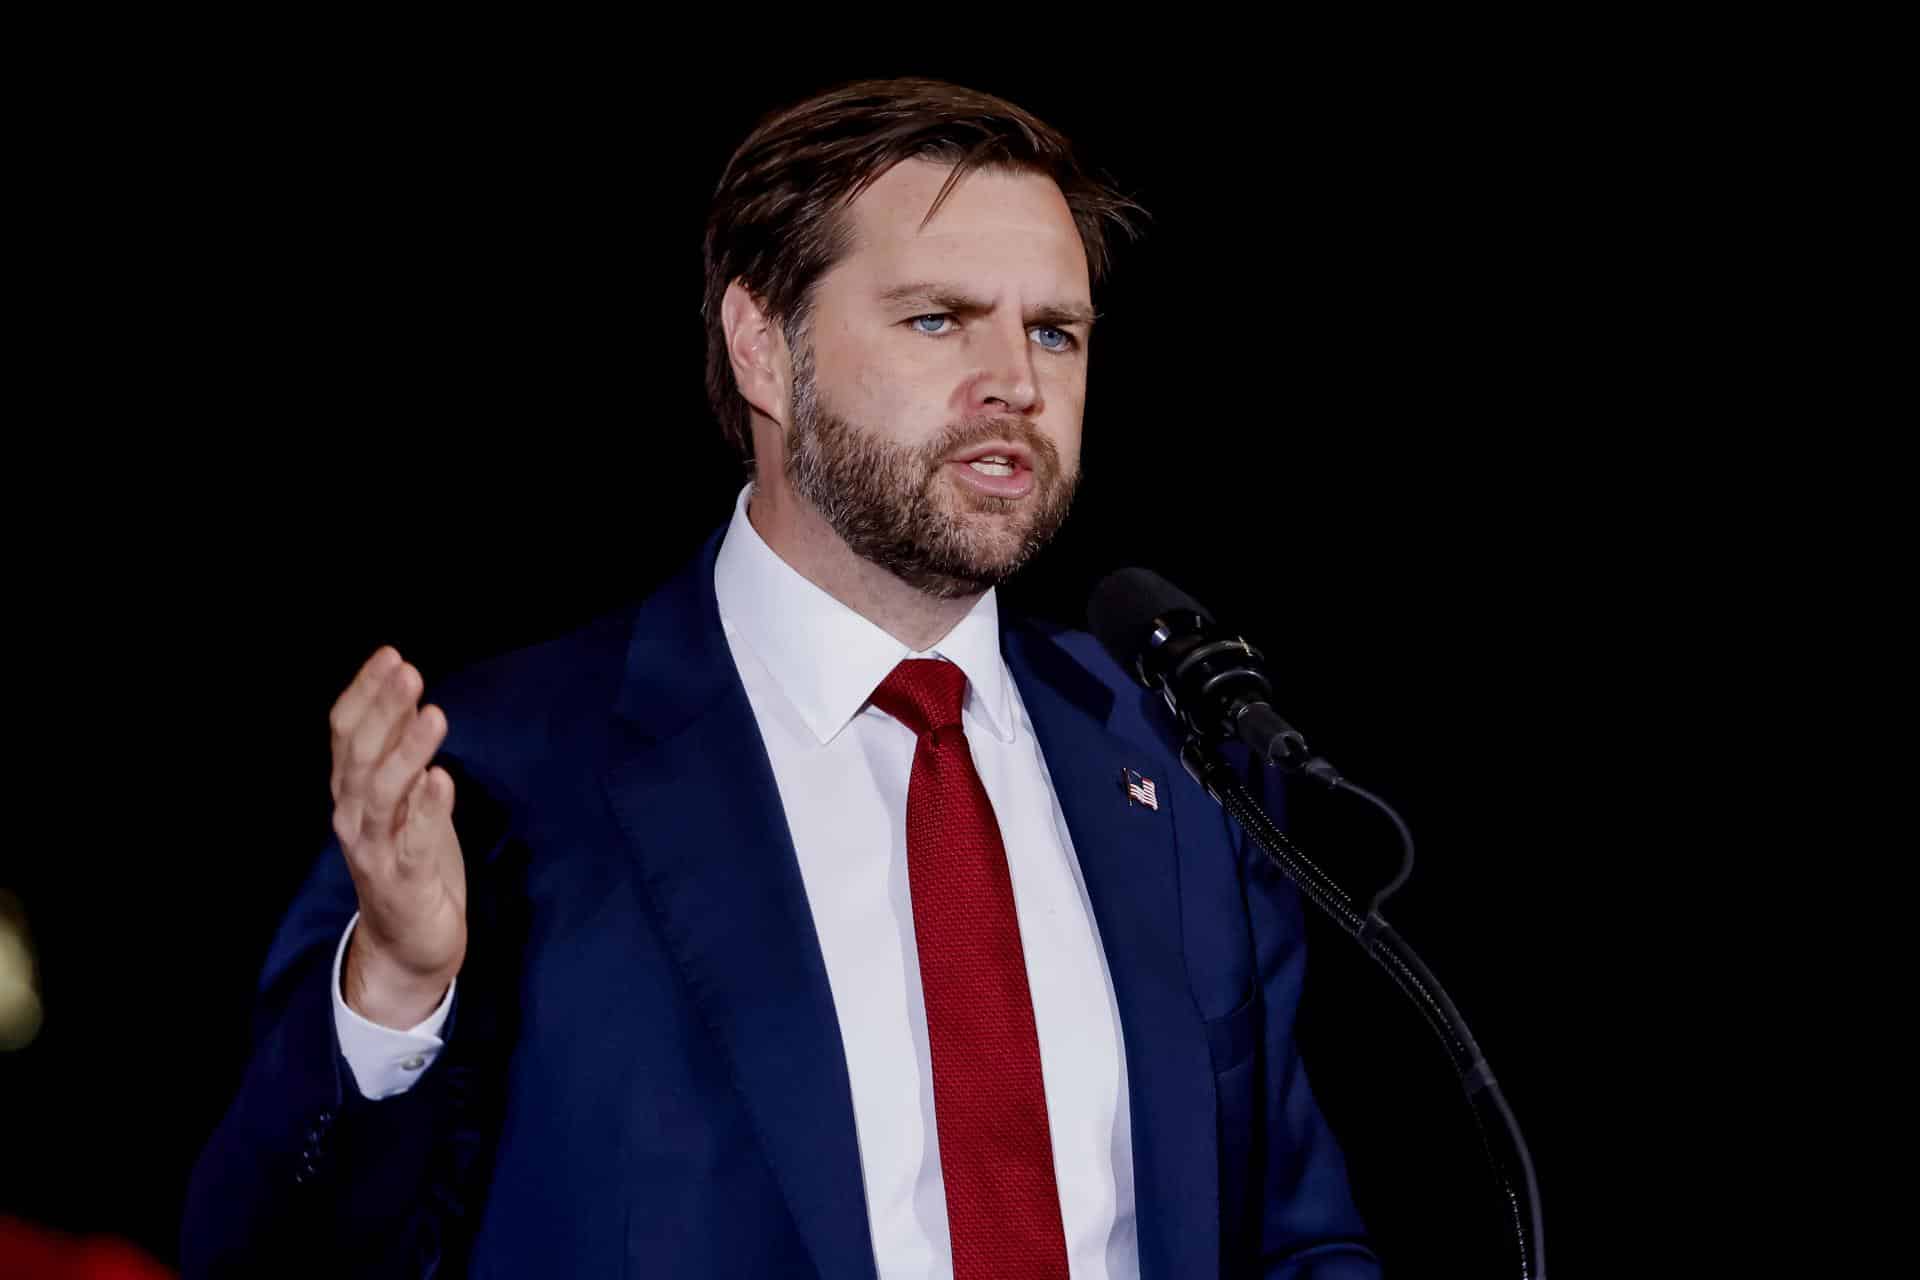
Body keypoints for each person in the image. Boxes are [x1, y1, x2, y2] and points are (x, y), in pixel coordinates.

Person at [182, 77, 1381, 1279]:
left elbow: (1296, 1234)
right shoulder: (505, 774)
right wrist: (394, 990)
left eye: (1054, 331)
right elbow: (265, 1257)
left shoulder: (1177, 761)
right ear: (763, 344)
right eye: (938, 320)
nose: (1016, 379)